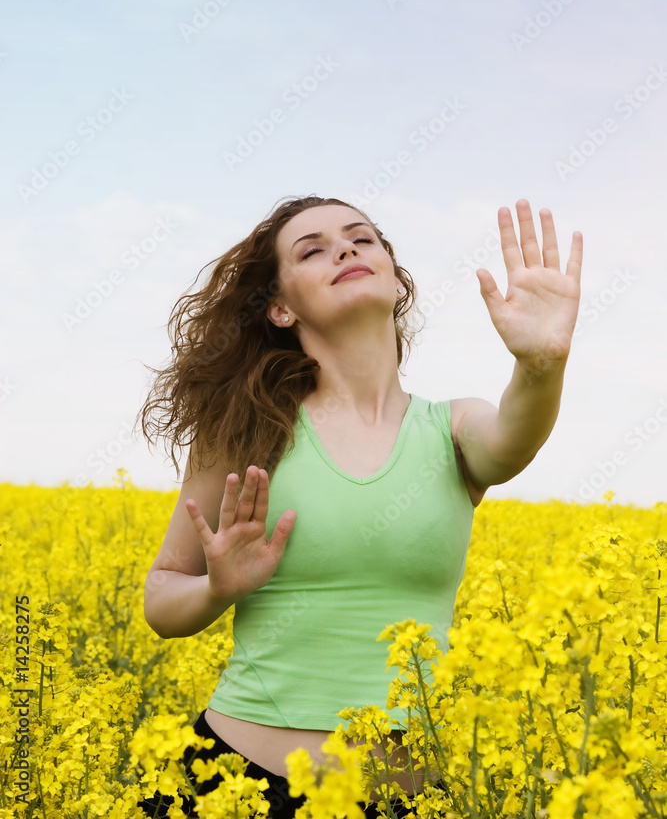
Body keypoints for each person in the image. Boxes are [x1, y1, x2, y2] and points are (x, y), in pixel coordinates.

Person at [136, 193, 583, 818]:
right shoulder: (245, 430)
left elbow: (513, 439)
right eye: (312, 250)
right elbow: (162, 595)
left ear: (395, 278)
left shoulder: (450, 427)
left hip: (412, 802)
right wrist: (217, 588)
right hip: (236, 786)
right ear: (281, 308)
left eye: (361, 238)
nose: (345, 248)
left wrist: (541, 365)